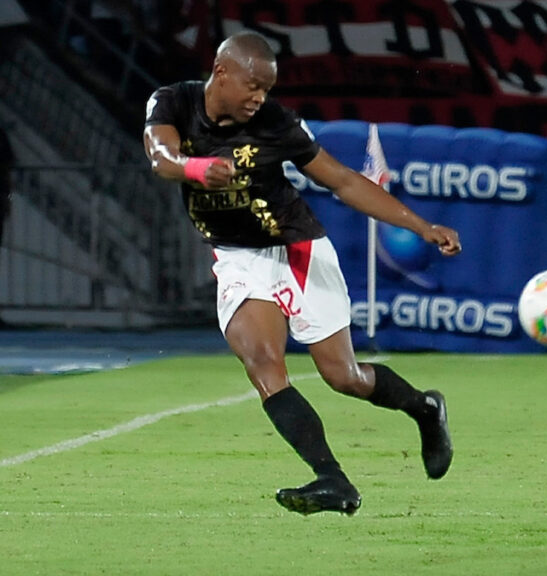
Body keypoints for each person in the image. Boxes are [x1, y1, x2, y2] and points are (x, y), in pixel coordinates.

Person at [142, 31, 461, 516]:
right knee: (263, 365)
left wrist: (422, 226)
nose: (259, 98)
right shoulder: (173, 102)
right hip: (237, 257)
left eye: (267, 89)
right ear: (221, 72)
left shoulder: (275, 123)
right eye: (253, 86)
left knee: (344, 377)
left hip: (298, 249)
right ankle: (332, 480)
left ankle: (425, 409)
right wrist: (194, 168)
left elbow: (343, 180)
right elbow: (160, 157)